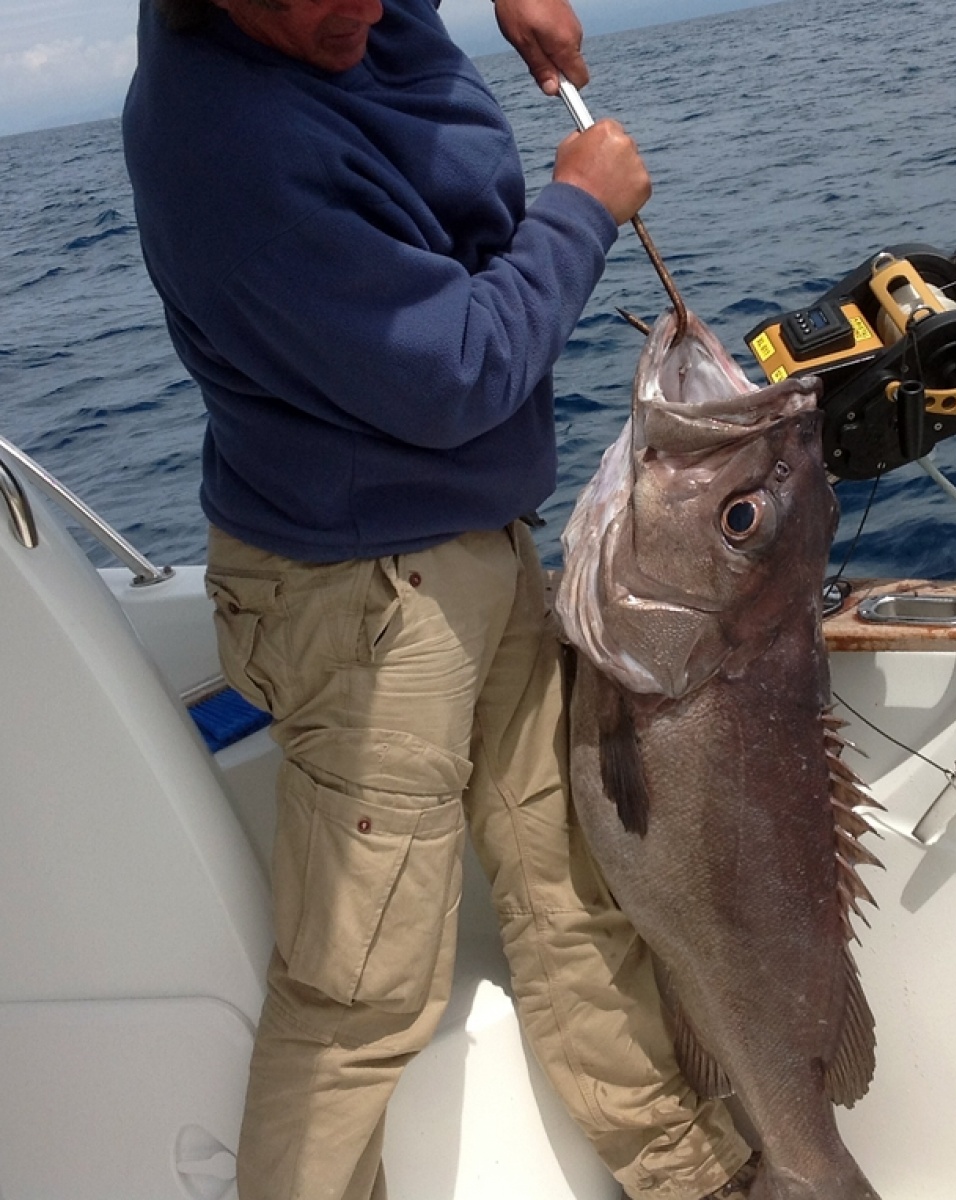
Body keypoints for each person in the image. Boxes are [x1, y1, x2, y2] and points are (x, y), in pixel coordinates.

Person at [121, 0, 756, 1197]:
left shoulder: (323, 19)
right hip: (361, 599)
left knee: (577, 901)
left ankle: (694, 1176)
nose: (359, 8)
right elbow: (459, 372)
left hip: (477, 542)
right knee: (360, 995)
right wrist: (578, 208)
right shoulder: (233, 149)